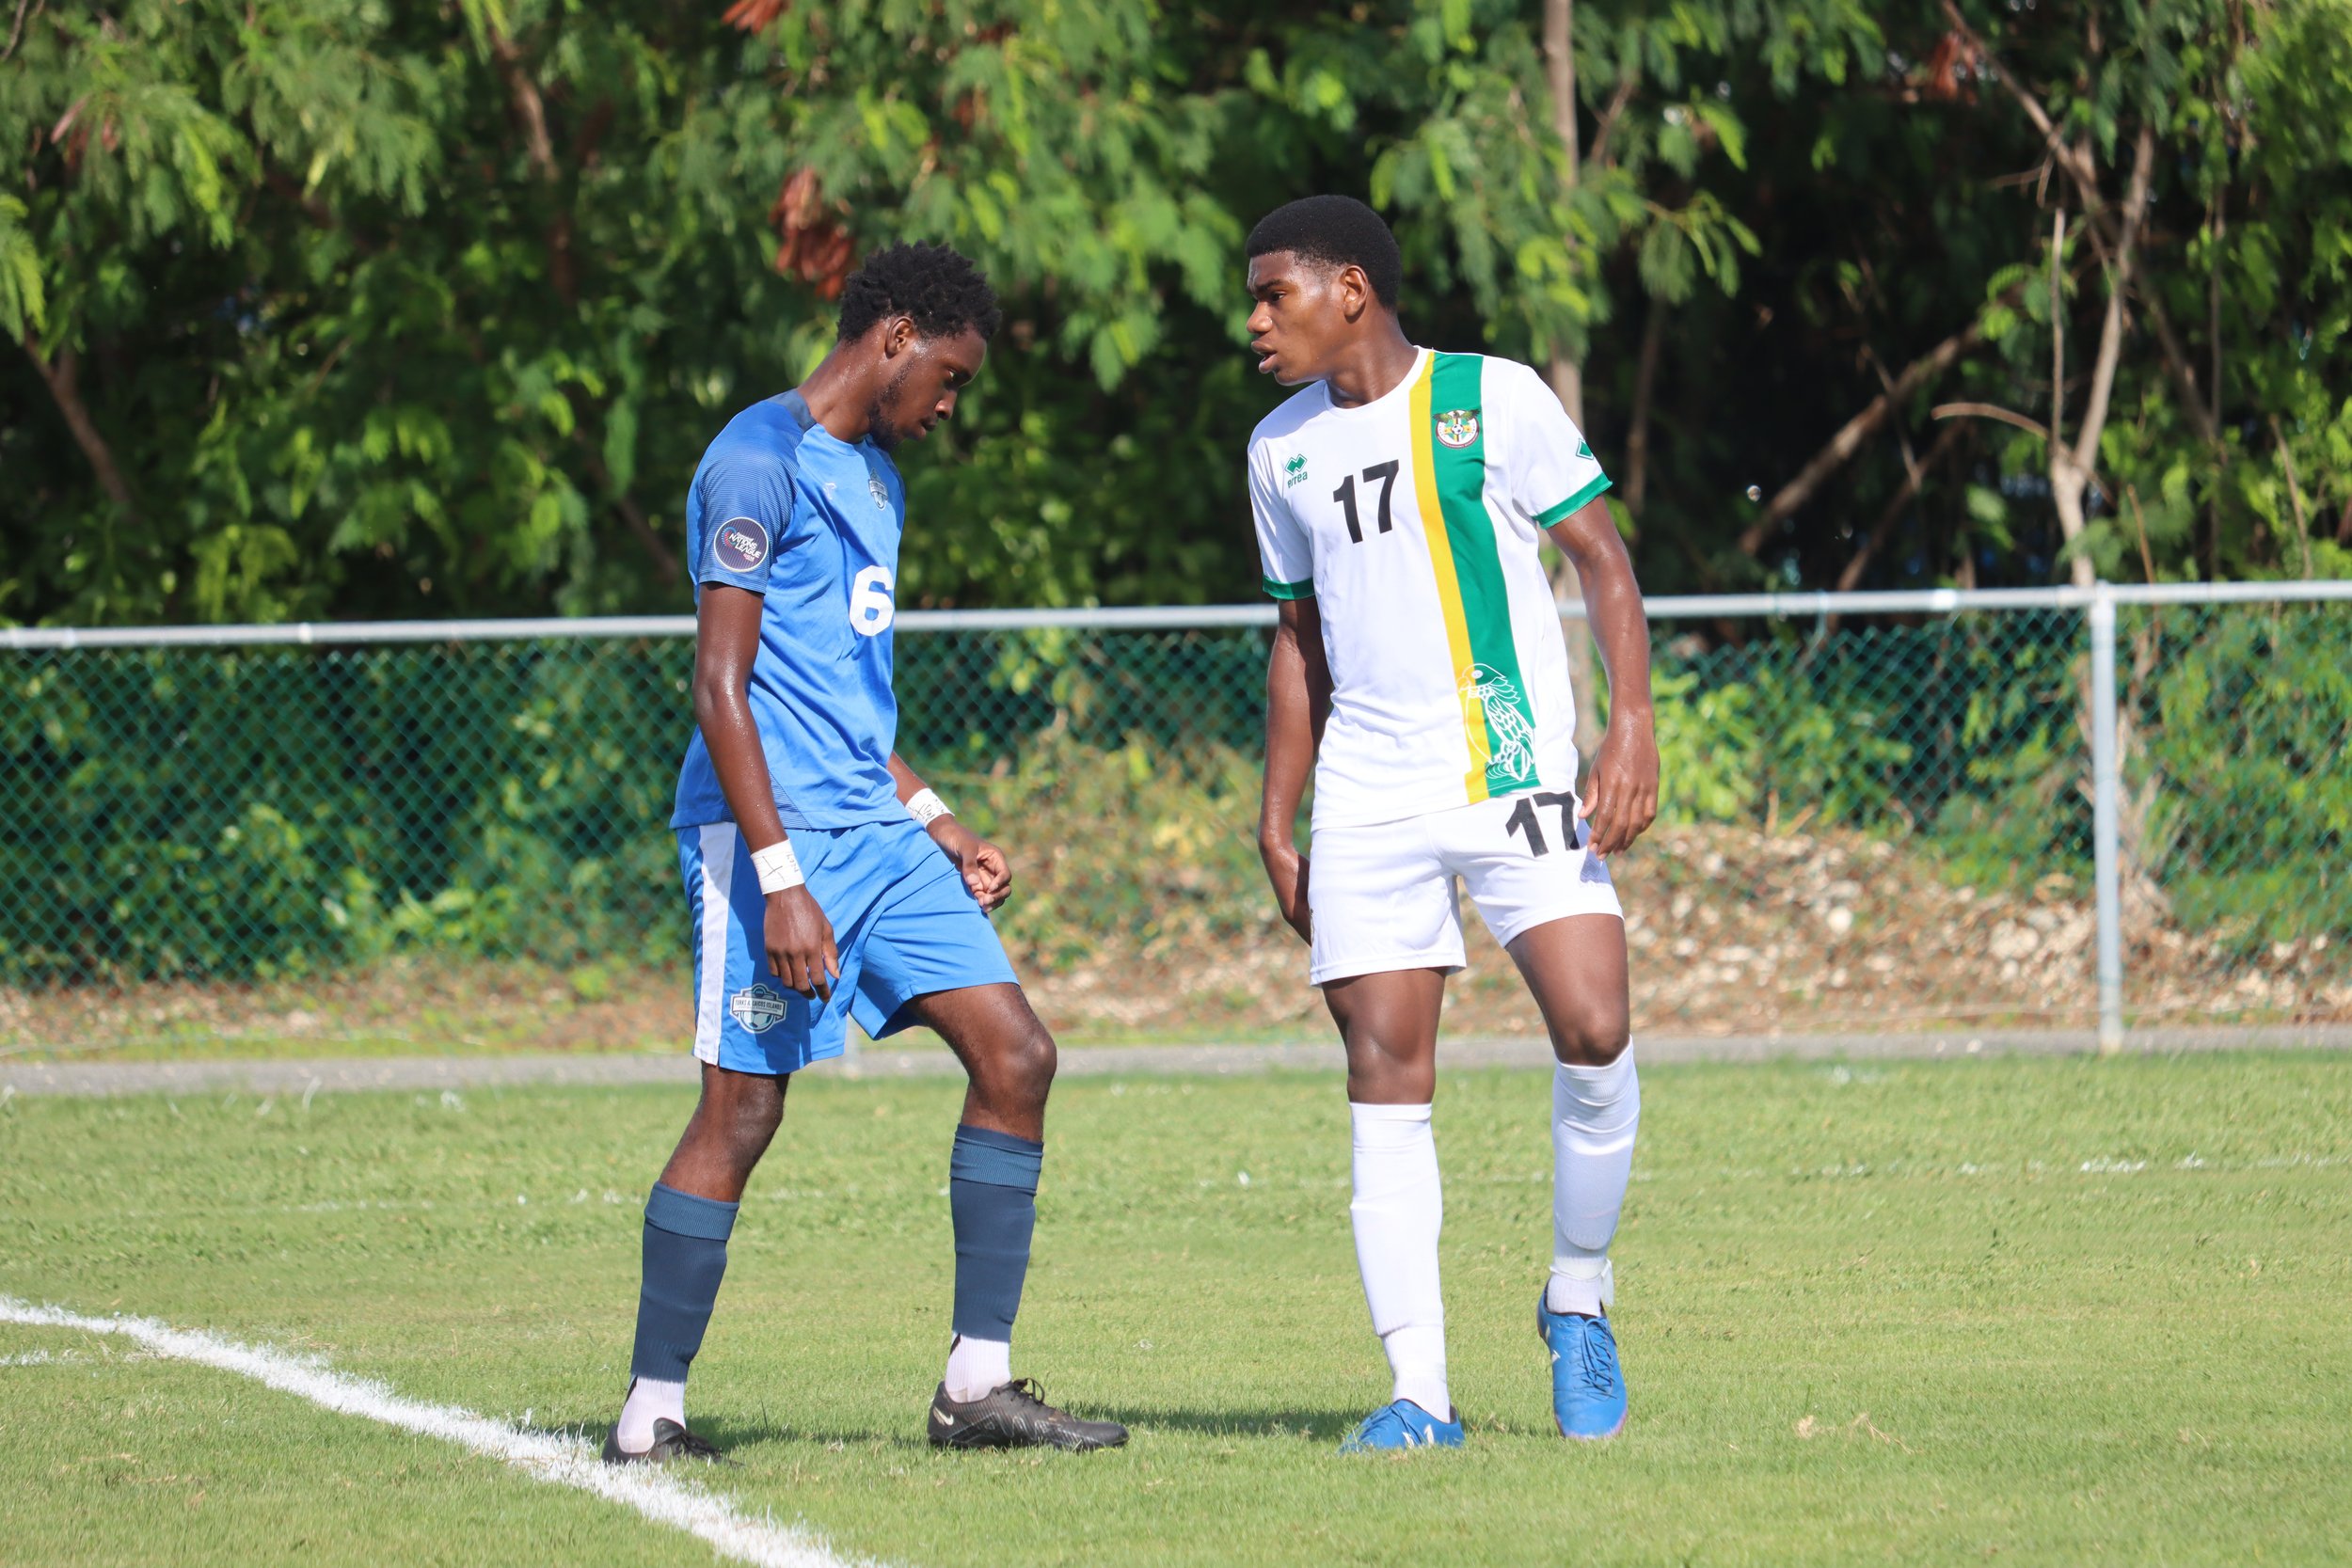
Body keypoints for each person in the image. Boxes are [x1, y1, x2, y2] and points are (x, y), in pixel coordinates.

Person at [603, 241, 1126, 1463]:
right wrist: (780, 883)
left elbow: (844, 696)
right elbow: (723, 689)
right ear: (895, 337)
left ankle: (975, 1391)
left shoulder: (880, 477)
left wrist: (937, 814)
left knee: (1019, 1054)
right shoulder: (755, 462)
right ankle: (648, 1415)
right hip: (768, 840)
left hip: (877, 836)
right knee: (742, 1112)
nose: (949, 408)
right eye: (948, 379)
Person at [1242, 196, 1661, 1449]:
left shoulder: (1497, 397)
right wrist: (1277, 817)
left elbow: (1603, 559)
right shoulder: (1278, 449)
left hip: (1516, 769)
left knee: (1596, 1023)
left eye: (1277, 295)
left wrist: (1630, 721)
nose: (1257, 322)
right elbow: (1297, 639)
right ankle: (1418, 1393)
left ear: (1353, 289)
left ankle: (1576, 1296)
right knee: (1384, 1073)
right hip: (1367, 792)